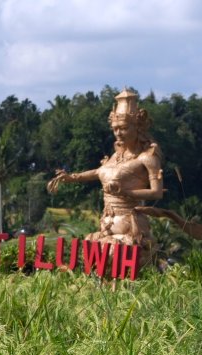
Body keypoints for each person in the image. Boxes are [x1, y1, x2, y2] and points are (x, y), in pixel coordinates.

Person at [46, 89, 166, 263]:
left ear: (138, 127)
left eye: (124, 128)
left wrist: (126, 192)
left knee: (119, 261)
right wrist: (72, 177)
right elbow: (98, 172)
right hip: (107, 224)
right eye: (115, 129)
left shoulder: (147, 157)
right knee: (94, 256)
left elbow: (157, 193)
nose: (118, 133)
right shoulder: (115, 156)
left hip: (130, 225)